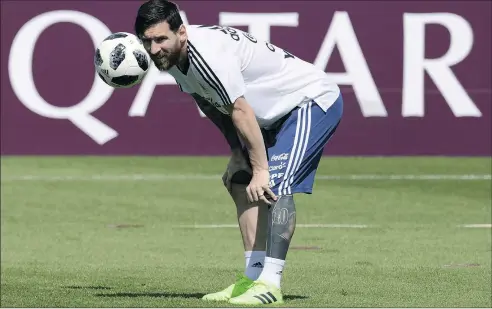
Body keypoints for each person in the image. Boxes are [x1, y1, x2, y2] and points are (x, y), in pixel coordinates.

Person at [134, 0, 343, 305]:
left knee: (274, 183)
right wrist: (237, 154)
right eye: (147, 41)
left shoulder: (207, 55)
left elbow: (240, 109)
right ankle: (252, 278)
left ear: (181, 32)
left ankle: (271, 284)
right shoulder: (173, 59)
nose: (154, 50)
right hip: (270, 116)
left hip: (308, 102)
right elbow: (211, 104)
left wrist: (262, 170)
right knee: (239, 179)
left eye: (161, 39)